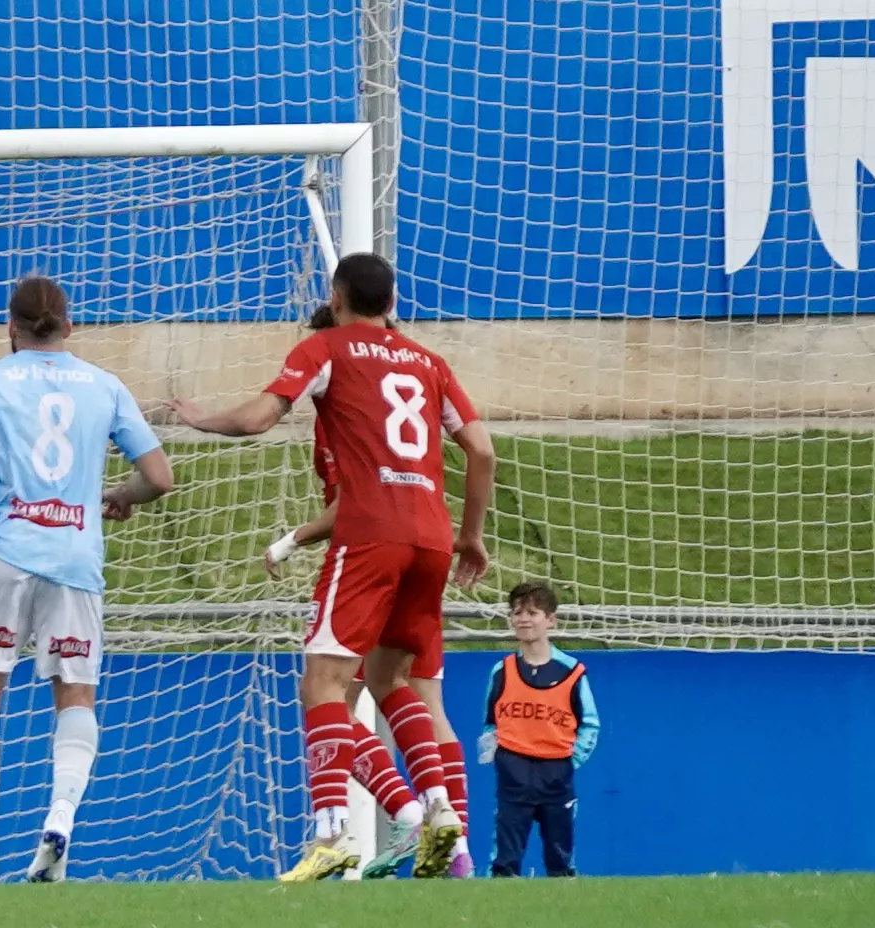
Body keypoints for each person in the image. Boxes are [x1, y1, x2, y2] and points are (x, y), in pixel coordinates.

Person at [159, 251, 494, 885]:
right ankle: (441, 814)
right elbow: (481, 447)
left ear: (337, 298)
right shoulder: (430, 363)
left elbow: (261, 416)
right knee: (394, 685)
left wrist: (202, 419)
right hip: (432, 537)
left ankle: (332, 832)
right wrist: (470, 537)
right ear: (392, 303)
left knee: (323, 686)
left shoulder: (327, 348)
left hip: (370, 535)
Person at [0, 276, 174, 884]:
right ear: (69, 327)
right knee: (75, 696)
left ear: (10, 327)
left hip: (7, 555)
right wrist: (119, 495)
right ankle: (60, 819)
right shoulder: (104, 385)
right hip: (74, 563)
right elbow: (160, 477)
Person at [254, 298, 430, 875]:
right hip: (423, 545)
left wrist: (287, 540)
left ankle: (338, 831)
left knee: (325, 690)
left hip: (368, 561)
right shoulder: (393, 382)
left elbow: (350, 503)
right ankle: (418, 814)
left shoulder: (347, 405)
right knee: (354, 693)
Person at [477, 580, 597, 878]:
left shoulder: (572, 672)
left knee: (560, 858)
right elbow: (490, 721)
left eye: (532, 612)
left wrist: (570, 760)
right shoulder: (501, 671)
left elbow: (590, 725)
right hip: (513, 773)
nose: (523, 619)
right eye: (517, 612)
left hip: (556, 774)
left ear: (550, 620)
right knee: (504, 860)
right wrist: (501, 757)